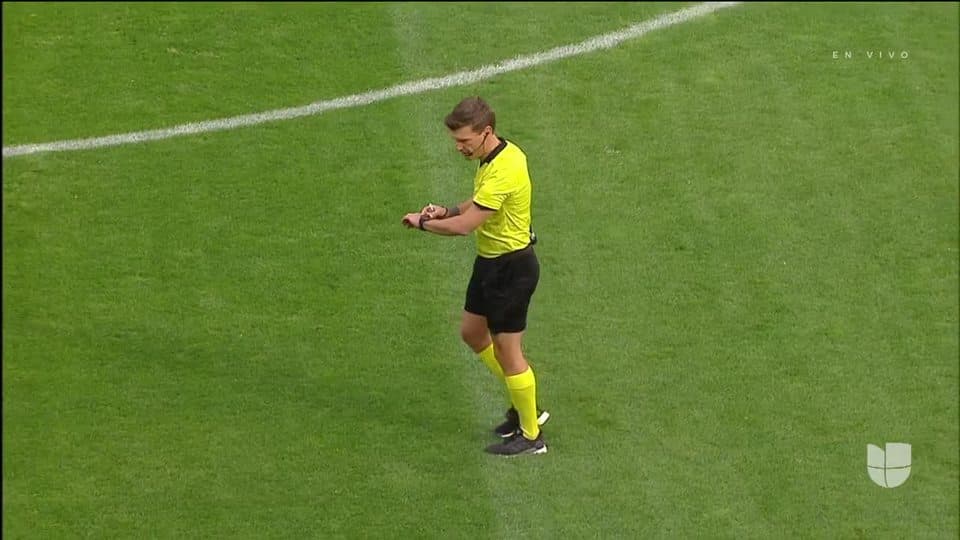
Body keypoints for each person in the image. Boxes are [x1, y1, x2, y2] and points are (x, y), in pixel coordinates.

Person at [401, 96, 549, 456]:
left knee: (508, 350)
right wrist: (446, 209)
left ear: (487, 132)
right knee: (472, 332)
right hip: (491, 263)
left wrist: (423, 223)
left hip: (512, 268)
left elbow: (467, 226)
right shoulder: (497, 155)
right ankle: (524, 404)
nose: (459, 147)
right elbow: (478, 202)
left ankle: (531, 436)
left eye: (464, 140)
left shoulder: (505, 168)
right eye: (456, 141)